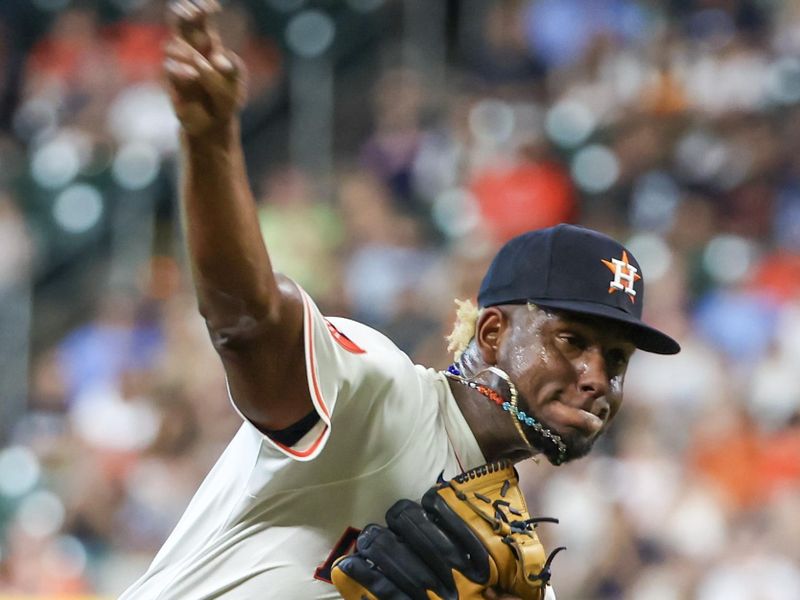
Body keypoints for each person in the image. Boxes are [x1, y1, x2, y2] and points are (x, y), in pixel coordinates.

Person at [120, 1, 680, 598]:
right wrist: (212, 146)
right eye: (572, 340)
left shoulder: (506, 557)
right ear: (491, 333)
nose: (597, 377)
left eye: (617, 360)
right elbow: (247, 322)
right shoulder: (380, 394)